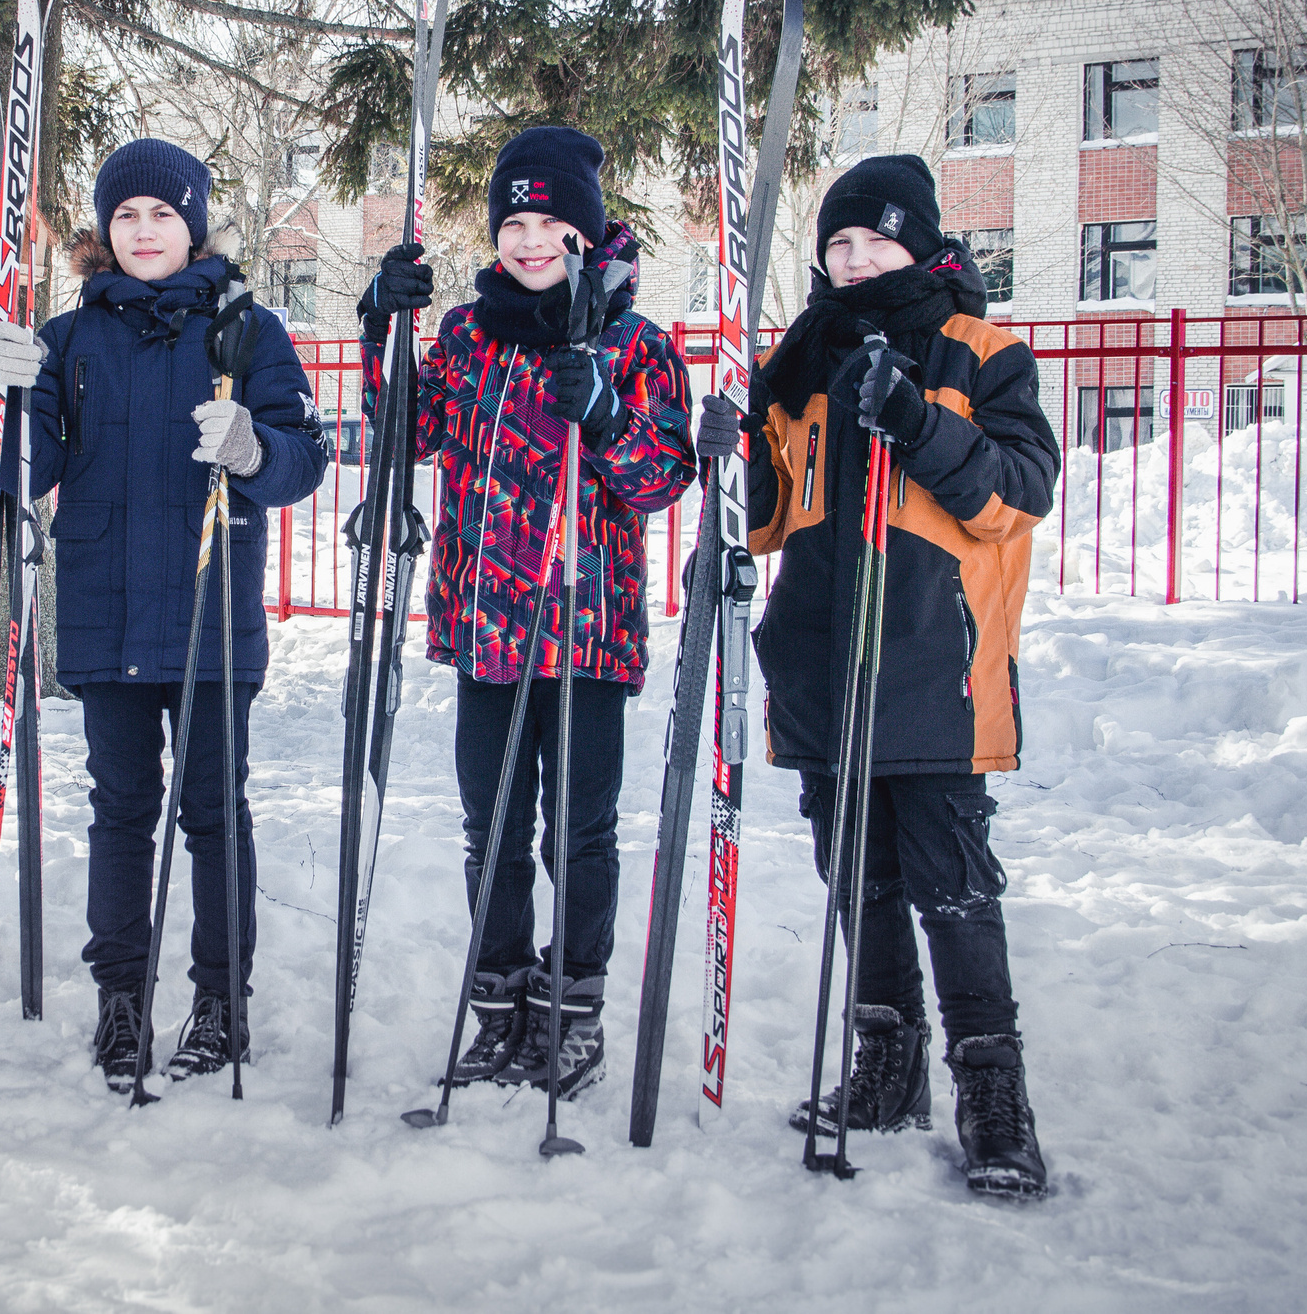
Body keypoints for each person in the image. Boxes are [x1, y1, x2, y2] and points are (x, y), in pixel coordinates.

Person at [0, 139, 328, 1092]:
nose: (143, 229)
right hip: (107, 613)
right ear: (105, 228)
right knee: (120, 812)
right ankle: (121, 998)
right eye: (126, 214)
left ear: (193, 223)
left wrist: (254, 448)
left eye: (162, 213)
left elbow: (304, 456)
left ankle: (221, 1000)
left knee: (213, 812)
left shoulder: (248, 328)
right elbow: (23, 471)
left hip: (211, 612)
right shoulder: (69, 338)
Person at [732, 152, 1060, 1198]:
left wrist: (917, 421)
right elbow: (765, 520)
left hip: (932, 669)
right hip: (823, 665)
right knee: (858, 880)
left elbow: (1018, 492)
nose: (856, 258)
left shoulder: (982, 353)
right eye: (839, 243)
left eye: (876, 240)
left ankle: (993, 1094)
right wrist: (731, 450)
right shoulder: (801, 361)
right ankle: (887, 1061)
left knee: (953, 889)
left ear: (920, 245)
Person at [358, 125, 696, 1100]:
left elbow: (663, 478)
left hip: (587, 635)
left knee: (578, 833)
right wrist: (383, 328)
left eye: (551, 223)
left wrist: (607, 415)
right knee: (494, 830)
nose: (531, 240)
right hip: (488, 632)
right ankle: (500, 1005)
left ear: (585, 233)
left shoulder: (634, 344)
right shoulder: (469, 335)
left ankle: (573, 1007)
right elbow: (406, 433)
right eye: (514, 223)